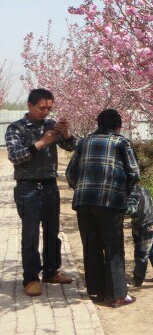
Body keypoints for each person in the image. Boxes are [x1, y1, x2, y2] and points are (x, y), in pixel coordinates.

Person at [5, 88, 76, 296]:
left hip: (49, 185)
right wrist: (42, 143)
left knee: (53, 231)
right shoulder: (16, 128)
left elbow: (72, 147)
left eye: (49, 108)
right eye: (41, 108)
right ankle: (31, 278)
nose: (45, 112)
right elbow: (15, 156)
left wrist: (65, 132)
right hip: (27, 186)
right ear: (29, 105)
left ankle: (51, 271)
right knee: (31, 233)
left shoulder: (50, 125)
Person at [66, 109, 139, 307]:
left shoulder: (83, 143)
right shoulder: (121, 143)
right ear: (118, 126)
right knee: (113, 248)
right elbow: (134, 174)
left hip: (83, 203)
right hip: (110, 203)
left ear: (98, 124)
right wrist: (124, 195)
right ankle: (117, 294)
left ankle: (96, 291)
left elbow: (71, 174)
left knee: (92, 246)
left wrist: (82, 188)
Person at [126, 185, 153, 287]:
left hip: (143, 226)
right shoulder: (144, 189)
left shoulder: (133, 193)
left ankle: (137, 280)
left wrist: (119, 209)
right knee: (152, 249)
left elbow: (131, 210)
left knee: (141, 254)